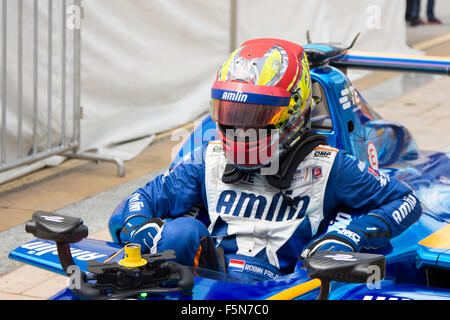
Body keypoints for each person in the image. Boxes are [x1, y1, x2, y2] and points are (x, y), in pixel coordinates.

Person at [108, 38, 422, 282]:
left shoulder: (330, 166)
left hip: (285, 287)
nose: (241, 126)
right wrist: (139, 225)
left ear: (293, 112)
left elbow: (406, 199)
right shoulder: (208, 160)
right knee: (178, 233)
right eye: (232, 112)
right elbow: (138, 201)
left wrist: (347, 236)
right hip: (209, 282)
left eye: (255, 114)